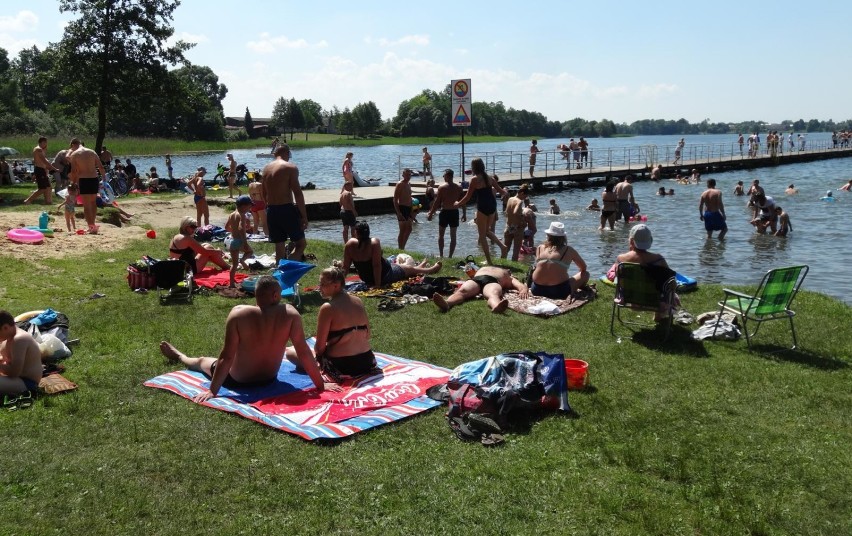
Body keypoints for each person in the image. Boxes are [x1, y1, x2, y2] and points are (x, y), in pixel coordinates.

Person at [160, 276, 339, 403]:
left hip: (239, 381)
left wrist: (212, 390)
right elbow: (304, 352)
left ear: (256, 295)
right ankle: (180, 356)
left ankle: (180, 356)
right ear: (276, 295)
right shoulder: (290, 313)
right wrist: (320, 385)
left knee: (201, 361)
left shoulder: (238, 314)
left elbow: (226, 357)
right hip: (269, 378)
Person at [309, 266, 377, 379]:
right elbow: (367, 334)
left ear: (336, 285)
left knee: (292, 354)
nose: (319, 288)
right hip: (367, 361)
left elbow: (319, 348)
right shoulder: (358, 301)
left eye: (322, 284)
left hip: (342, 365)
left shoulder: (328, 308)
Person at [342, 221, 441, 288]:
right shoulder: (373, 243)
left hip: (367, 277)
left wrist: (341, 283)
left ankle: (420, 267)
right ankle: (430, 269)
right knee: (409, 269)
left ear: (356, 233)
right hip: (385, 275)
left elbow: (345, 267)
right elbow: (376, 266)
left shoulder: (350, 244)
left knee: (404, 267)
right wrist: (377, 285)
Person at [614, 225, 676, 321]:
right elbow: (671, 282)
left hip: (629, 298)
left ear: (631, 241)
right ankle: (658, 316)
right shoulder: (658, 260)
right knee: (667, 285)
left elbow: (618, 279)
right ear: (650, 241)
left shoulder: (621, 259)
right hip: (654, 301)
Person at [454, 158, 508, 265]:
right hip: (492, 205)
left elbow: (467, 197)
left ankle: (489, 261)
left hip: (482, 206)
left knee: (482, 235)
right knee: (487, 231)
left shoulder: (474, 179)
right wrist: (506, 196)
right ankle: (503, 247)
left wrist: (458, 204)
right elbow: (502, 192)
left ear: (474, 167)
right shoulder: (490, 178)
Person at [262, 144, 308, 264]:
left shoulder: (266, 169)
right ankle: (286, 268)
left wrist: (268, 210)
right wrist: (304, 216)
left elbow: (263, 194)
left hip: (271, 210)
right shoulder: (290, 167)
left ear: (275, 154)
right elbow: (297, 193)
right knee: (301, 244)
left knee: (279, 246)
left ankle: (279, 275)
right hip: (286, 208)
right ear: (286, 153)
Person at [529, 222, 589, 300]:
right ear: (563, 237)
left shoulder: (540, 248)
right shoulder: (568, 250)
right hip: (559, 291)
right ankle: (576, 287)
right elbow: (583, 268)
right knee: (585, 274)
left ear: (548, 235)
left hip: (536, 290)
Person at [432, 265, 528, 314]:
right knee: (462, 291)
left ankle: (496, 307)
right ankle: (447, 303)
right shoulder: (485, 268)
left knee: (493, 294)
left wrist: (523, 289)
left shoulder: (509, 276)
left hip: (492, 281)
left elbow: (520, 285)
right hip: (476, 279)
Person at [0, 310, 43, 397]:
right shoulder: (8, 337)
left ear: (5, 327)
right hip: (14, 378)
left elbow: (14, 372)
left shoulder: (19, 340)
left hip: (26, 382)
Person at [67, 138, 106, 234]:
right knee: (93, 202)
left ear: (73, 145)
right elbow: (100, 167)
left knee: (86, 204)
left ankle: (91, 226)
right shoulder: (92, 152)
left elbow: (73, 171)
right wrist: (104, 179)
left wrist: (74, 182)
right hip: (94, 179)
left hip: (84, 179)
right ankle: (93, 225)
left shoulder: (74, 155)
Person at [225, 196, 255, 287]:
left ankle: (231, 284)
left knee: (234, 265)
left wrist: (234, 232)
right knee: (250, 251)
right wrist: (245, 242)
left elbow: (226, 227)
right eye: (249, 207)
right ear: (243, 206)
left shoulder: (231, 214)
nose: (250, 209)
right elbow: (241, 228)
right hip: (239, 240)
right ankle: (242, 260)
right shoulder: (241, 215)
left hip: (232, 241)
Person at [24, 136, 58, 205]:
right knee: (42, 188)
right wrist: (53, 168)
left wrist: (47, 168)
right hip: (39, 170)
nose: (46, 144)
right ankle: (28, 200)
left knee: (48, 187)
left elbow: (42, 161)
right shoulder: (38, 149)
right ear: (43, 142)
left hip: (42, 170)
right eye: (46, 143)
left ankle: (48, 201)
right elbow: (44, 161)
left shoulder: (41, 150)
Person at [503, 185, 528, 261]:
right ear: (522, 193)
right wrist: (522, 219)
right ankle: (514, 263)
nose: (524, 198)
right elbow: (515, 212)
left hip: (508, 225)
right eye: (525, 196)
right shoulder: (519, 201)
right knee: (516, 248)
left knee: (506, 247)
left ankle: (502, 261)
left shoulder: (510, 199)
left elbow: (507, 212)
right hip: (517, 227)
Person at [393, 168, 415, 250]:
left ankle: (403, 247)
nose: (408, 176)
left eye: (409, 174)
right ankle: (400, 248)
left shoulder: (409, 184)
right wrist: (398, 213)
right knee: (402, 230)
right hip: (402, 208)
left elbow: (409, 196)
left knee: (409, 229)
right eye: (406, 174)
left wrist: (413, 207)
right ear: (403, 175)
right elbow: (395, 199)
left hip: (409, 208)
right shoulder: (400, 184)